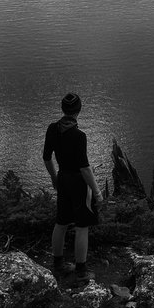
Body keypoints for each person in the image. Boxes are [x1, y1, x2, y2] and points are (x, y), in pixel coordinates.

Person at [42, 92, 104, 279]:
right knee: (82, 225)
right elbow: (84, 168)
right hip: (78, 182)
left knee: (61, 222)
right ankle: (81, 270)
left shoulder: (52, 129)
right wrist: (97, 191)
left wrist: (54, 177)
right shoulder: (79, 135)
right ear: (79, 110)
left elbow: (46, 157)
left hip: (62, 177)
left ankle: (58, 263)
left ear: (63, 109)